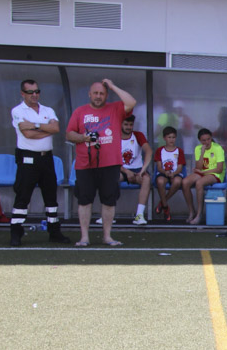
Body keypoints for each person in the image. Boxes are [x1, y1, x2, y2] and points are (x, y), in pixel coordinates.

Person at [65, 79, 136, 246]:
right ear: (89, 94)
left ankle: (107, 236)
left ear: (106, 95)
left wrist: (112, 86)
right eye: (95, 93)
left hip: (110, 163)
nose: (98, 96)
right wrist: (84, 137)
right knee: (84, 200)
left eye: (102, 93)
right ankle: (84, 237)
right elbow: (69, 134)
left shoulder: (115, 108)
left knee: (109, 200)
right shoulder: (80, 111)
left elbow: (131, 102)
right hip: (85, 164)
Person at [8, 79, 71, 246]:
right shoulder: (17, 110)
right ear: (23, 94)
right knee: (23, 196)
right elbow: (27, 134)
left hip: (46, 158)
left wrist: (35, 125)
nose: (34, 95)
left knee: (51, 197)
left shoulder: (47, 110)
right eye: (30, 92)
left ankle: (54, 231)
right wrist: (45, 128)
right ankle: (16, 231)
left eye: (37, 91)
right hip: (28, 158)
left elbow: (56, 129)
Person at [181, 128, 225, 224]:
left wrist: (203, 172)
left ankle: (199, 214)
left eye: (208, 139)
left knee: (199, 183)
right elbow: (199, 167)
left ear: (211, 138)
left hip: (215, 174)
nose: (207, 142)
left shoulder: (217, 148)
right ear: (200, 141)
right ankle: (192, 211)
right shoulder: (198, 148)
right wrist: (202, 153)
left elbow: (219, 169)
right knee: (185, 182)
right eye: (203, 140)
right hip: (203, 172)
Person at [118, 114, 153, 224]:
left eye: (131, 124)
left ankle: (139, 215)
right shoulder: (114, 137)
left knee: (147, 179)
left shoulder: (138, 135)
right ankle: (108, 215)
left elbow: (149, 151)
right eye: (126, 124)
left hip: (137, 170)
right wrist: (126, 171)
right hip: (121, 170)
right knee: (109, 179)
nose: (128, 127)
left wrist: (143, 169)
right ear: (120, 124)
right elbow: (110, 159)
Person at [153, 125, 186, 220]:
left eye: (173, 137)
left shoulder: (179, 151)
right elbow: (159, 167)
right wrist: (166, 172)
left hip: (175, 173)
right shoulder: (160, 150)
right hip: (163, 173)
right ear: (164, 138)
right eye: (169, 137)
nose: (171, 140)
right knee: (160, 182)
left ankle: (162, 203)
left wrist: (173, 173)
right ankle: (166, 207)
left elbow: (180, 167)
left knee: (177, 182)